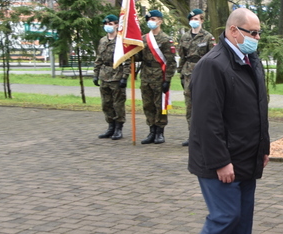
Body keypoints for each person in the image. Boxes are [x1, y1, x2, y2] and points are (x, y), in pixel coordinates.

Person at [180, 8, 270, 234]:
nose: (256, 38)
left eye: (258, 33)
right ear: (233, 31)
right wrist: (221, 161)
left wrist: (263, 147)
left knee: (242, 220)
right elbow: (206, 120)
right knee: (226, 216)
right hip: (218, 159)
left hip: (247, 155)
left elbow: (260, 108)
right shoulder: (212, 65)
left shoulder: (250, 60)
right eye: (252, 32)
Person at [177, 8, 216, 146]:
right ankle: (192, 134)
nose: (194, 22)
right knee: (189, 105)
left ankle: (203, 135)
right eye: (192, 19)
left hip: (202, 72)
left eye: (197, 19)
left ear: (202, 20)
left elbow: (212, 57)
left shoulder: (207, 37)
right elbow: (182, 57)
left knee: (203, 105)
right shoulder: (184, 37)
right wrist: (180, 73)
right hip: (188, 73)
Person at [139, 10, 176, 144]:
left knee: (160, 104)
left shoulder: (166, 39)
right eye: (149, 19)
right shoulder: (143, 39)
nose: (150, 22)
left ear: (160, 21)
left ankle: (160, 131)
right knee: (148, 104)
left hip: (160, 75)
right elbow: (138, 57)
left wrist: (167, 79)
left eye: (153, 19)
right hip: (145, 74)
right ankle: (151, 130)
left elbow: (171, 62)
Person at [93, 14, 130, 140]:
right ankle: (110, 126)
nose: (108, 27)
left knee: (118, 104)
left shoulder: (121, 41)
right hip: (104, 75)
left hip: (116, 75)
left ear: (116, 25)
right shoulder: (103, 41)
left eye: (110, 24)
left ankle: (119, 128)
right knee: (106, 103)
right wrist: (96, 74)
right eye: (106, 24)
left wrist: (125, 77)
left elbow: (127, 61)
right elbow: (98, 59)